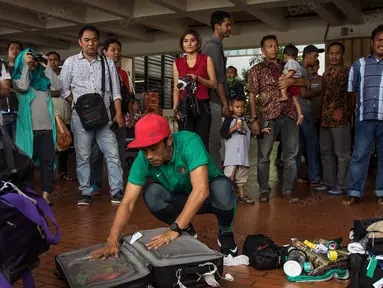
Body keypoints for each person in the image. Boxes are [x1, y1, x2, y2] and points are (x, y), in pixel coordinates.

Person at [89, 114, 238, 260]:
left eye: (153, 148)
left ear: (168, 140)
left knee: (222, 188)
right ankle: (186, 230)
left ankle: (225, 234)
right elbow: (127, 202)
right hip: (182, 198)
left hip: (209, 197)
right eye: (144, 150)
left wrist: (175, 228)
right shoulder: (143, 159)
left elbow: (201, 190)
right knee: (152, 193)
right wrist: (112, 239)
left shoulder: (190, 142)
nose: (148, 156)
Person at [60, 25, 124, 206]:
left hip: (104, 117)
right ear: (80, 42)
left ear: (98, 42)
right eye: (86, 40)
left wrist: (118, 114)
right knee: (83, 156)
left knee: (112, 154)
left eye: (94, 40)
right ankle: (86, 192)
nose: (90, 43)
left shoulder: (108, 62)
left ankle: (117, 191)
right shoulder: (71, 62)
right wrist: (79, 106)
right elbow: (64, 90)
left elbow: (115, 92)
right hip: (80, 118)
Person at [248, 35, 309, 203]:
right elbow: (252, 96)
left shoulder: (288, 66)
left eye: (275, 45)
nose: (273, 48)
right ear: (263, 50)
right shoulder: (257, 70)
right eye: (269, 46)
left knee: (291, 155)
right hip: (267, 116)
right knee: (264, 155)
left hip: (289, 114)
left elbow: (305, 82)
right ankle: (264, 190)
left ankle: (288, 190)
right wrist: (254, 119)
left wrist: (291, 81)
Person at [12, 49, 61, 205]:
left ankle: (46, 194)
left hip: (47, 128)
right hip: (28, 130)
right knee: (28, 164)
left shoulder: (44, 80)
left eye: (34, 58)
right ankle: (29, 194)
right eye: (28, 58)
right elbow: (24, 86)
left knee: (47, 163)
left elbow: (57, 86)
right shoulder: (18, 80)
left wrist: (45, 65)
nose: (32, 60)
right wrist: (26, 66)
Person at [344, 24, 383, 206]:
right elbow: (351, 93)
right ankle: (354, 192)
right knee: (360, 155)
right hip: (363, 119)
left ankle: (381, 193)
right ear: (372, 42)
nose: (382, 43)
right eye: (379, 40)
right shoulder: (358, 64)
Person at [90, 39, 135, 195]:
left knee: (119, 152)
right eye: (113, 49)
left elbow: (127, 96)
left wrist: (130, 116)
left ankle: (119, 185)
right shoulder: (97, 71)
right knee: (96, 153)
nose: (116, 52)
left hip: (119, 119)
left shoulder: (123, 73)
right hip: (100, 119)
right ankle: (95, 183)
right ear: (105, 52)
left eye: (118, 50)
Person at [173, 29, 217, 150]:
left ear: (198, 43)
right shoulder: (177, 63)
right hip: (184, 105)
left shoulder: (206, 59)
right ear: (182, 44)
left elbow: (214, 84)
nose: (189, 43)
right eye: (186, 41)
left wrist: (198, 79)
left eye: (192, 40)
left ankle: (203, 168)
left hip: (202, 105)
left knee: (202, 141)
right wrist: (176, 108)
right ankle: (187, 169)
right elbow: (176, 89)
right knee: (185, 141)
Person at [201, 11, 231, 170]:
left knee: (214, 142)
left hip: (213, 101)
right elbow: (218, 79)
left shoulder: (216, 46)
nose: (229, 28)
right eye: (227, 25)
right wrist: (224, 103)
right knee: (214, 142)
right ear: (217, 26)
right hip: (213, 101)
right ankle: (215, 179)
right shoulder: (212, 47)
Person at [320, 42, 351, 195]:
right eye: (331, 53)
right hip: (325, 118)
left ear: (342, 55)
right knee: (326, 151)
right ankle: (328, 182)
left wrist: (349, 113)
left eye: (337, 53)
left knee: (342, 152)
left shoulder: (348, 71)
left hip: (340, 118)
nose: (333, 56)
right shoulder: (325, 74)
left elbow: (353, 95)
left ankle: (342, 184)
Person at [220, 96, 254, 204]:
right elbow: (223, 133)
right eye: (237, 107)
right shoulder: (228, 120)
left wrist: (262, 130)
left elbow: (249, 133)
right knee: (229, 175)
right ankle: (226, 196)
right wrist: (234, 127)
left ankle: (242, 195)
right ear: (231, 108)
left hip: (243, 156)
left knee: (241, 176)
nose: (240, 109)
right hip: (232, 156)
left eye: (242, 107)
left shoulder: (244, 121)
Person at [279, 45, 303, 125]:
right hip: (296, 85)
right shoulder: (295, 62)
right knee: (296, 101)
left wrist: (285, 77)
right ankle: (300, 115)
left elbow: (291, 71)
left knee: (281, 83)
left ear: (285, 55)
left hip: (293, 83)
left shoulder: (291, 62)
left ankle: (284, 95)